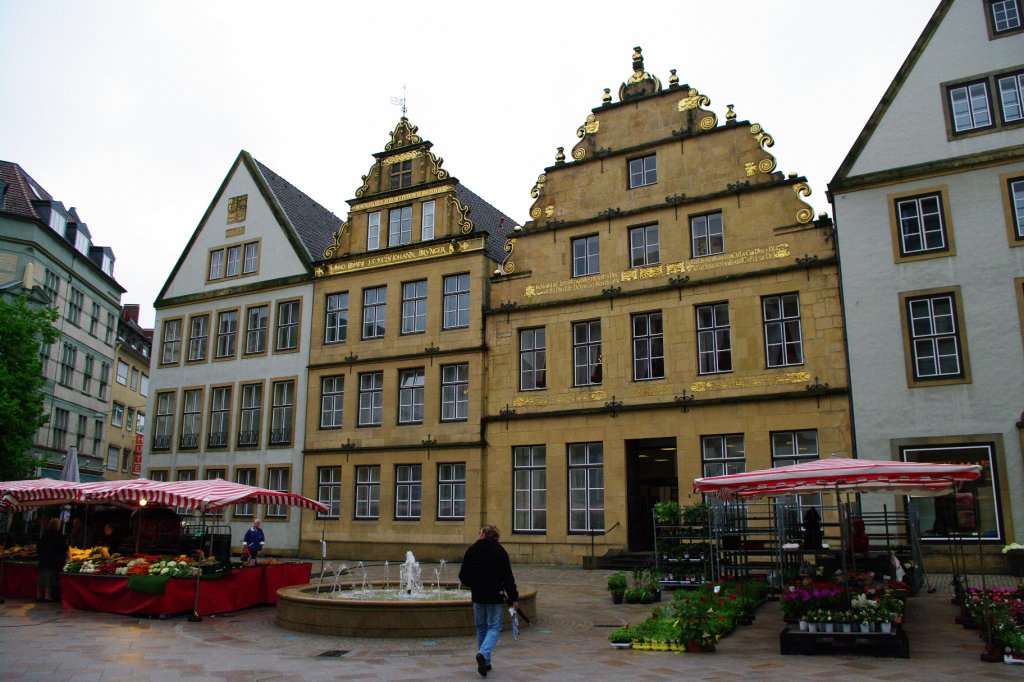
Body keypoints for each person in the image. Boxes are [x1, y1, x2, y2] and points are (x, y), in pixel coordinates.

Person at [459, 523, 519, 678]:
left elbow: (463, 575)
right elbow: (508, 577)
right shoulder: (500, 551)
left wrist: (475, 584)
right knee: (494, 627)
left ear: (484, 534)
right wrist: (513, 597)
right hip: (494, 595)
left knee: (481, 628)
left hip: (478, 595)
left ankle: (485, 661)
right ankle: (483, 654)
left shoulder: (472, 550)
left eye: (480, 533)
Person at [36, 518, 67, 602]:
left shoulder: (45, 535)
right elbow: (64, 548)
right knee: (50, 578)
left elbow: (38, 547)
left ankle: (39, 595)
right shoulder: (59, 536)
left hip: (43, 559)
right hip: (53, 561)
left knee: (41, 577)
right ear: (57, 526)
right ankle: (47, 595)